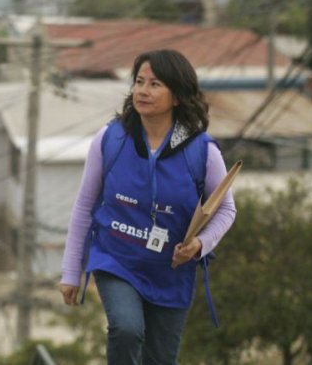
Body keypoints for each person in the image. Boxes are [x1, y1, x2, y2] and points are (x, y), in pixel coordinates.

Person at [59, 49, 236, 365]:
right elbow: (85, 205)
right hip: (116, 260)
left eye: (155, 84)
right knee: (126, 329)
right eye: (139, 82)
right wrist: (71, 271)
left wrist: (199, 245)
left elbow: (226, 210)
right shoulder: (110, 139)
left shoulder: (202, 151)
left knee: (160, 359)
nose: (142, 90)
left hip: (170, 272)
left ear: (178, 96)